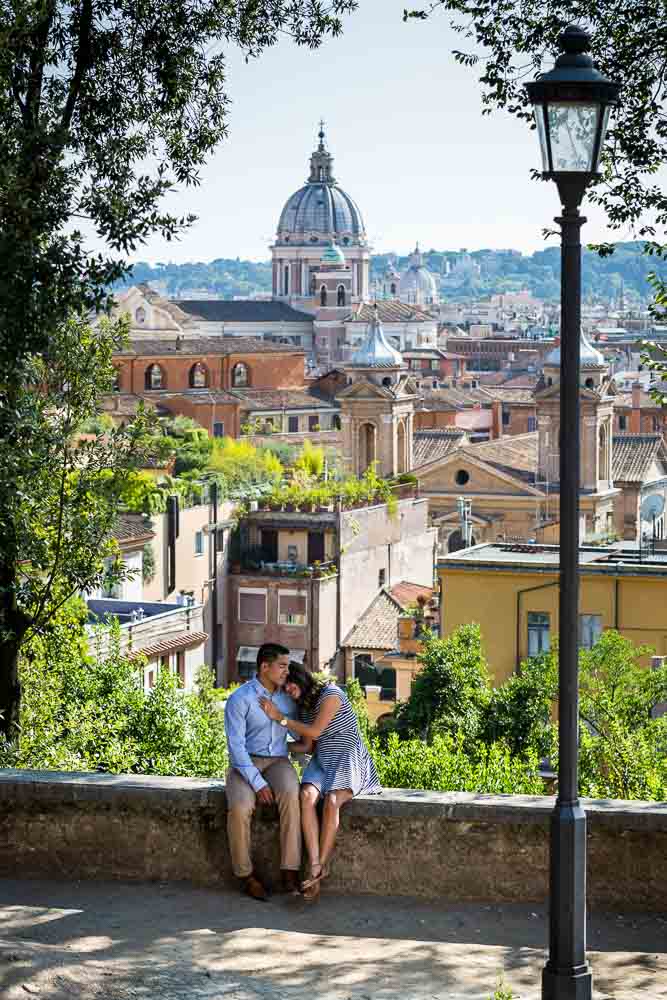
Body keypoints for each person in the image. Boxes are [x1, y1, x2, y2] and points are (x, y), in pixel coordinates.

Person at [258, 663, 381, 902]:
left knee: (332, 802)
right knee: (305, 796)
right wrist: (272, 748)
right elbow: (307, 746)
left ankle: (318, 869)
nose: (287, 690)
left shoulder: (332, 694)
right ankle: (314, 862)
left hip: (347, 755)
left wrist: (280, 718)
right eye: (283, 688)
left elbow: (314, 731)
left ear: (301, 678)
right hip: (323, 757)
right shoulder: (303, 708)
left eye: (289, 683)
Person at [224, 643, 301, 901]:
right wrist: (258, 784)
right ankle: (246, 876)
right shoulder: (240, 698)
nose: (286, 671)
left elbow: (297, 733)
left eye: (287, 666)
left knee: (292, 793)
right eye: (282, 666)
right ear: (264, 666)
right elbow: (236, 747)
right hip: (245, 763)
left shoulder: (287, 698)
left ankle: (290, 870)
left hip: (278, 760)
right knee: (240, 806)